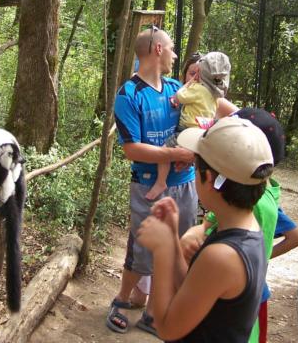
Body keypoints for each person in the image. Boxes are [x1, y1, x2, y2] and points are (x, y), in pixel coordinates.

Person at [137, 117, 274, 342]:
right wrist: (172, 238)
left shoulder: (223, 256)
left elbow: (167, 328)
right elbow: (191, 288)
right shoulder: (243, 229)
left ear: (208, 178)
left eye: (195, 165)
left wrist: (161, 251)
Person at [180, 108, 298, 343]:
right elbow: (210, 222)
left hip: (236, 300)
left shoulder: (254, 208)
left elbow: (170, 327)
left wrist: (165, 251)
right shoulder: (253, 198)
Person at [107, 27, 198, 336]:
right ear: (157, 49)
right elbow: (131, 148)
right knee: (142, 246)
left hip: (185, 183)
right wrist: (174, 152)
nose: (175, 55)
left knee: (177, 248)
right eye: (171, 48)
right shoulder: (128, 95)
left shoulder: (176, 88)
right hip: (147, 185)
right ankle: (122, 300)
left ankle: (152, 312)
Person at [147, 51, 231, 200]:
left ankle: (161, 182)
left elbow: (180, 96)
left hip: (188, 130)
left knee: (165, 150)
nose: (195, 77)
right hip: (202, 132)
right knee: (181, 155)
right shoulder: (216, 93)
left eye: (198, 73)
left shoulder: (196, 89)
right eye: (192, 73)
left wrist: (189, 84)